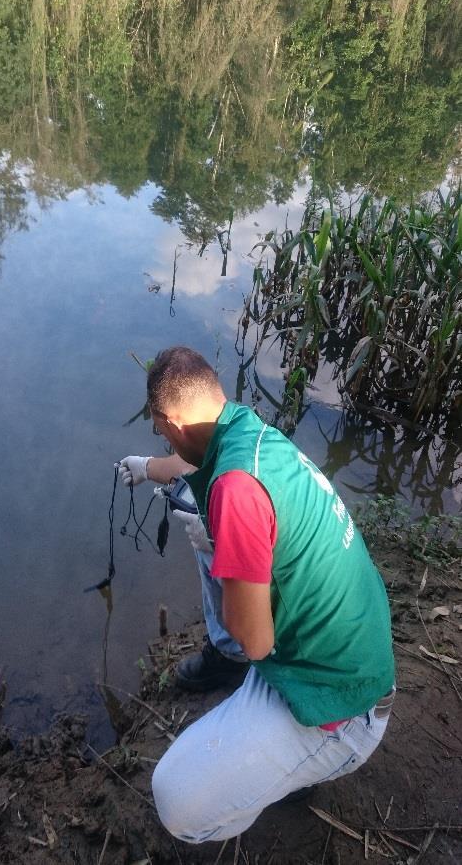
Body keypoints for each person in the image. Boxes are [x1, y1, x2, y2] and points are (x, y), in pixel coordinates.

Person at [118, 346, 395, 844]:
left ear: (169, 419)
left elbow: (257, 645)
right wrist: (145, 466)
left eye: (158, 430)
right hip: (353, 643)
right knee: (205, 524)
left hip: (339, 701)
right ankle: (232, 678)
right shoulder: (244, 431)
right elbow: (185, 465)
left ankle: (300, 769)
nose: (161, 439)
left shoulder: (237, 492)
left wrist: (225, 547)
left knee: (176, 800)